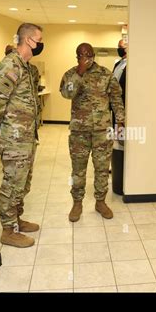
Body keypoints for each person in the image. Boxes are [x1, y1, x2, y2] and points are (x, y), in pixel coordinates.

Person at [0, 23, 44, 248]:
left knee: (22, 183)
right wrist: (5, 131)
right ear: (28, 40)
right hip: (14, 138)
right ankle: (8, 230)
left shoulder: (26, 66)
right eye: (39, 39)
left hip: (27, 137)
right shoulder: (11, 64)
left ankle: (16, 219)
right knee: (12, 183)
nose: (40, 44)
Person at [60, 43, 125, 222]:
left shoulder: (106, 74)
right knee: (78, 170)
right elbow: (67, 94)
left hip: (101, 131)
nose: (86, 56)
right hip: (79, 132)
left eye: (88, 54)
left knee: (102, 169)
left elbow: (116, 98)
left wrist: (120, 120)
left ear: (94, 54)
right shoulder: (70, 74)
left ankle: (100, 202)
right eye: (81, 54)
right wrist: (79, 72)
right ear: (77, 56)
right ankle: (77, 203)